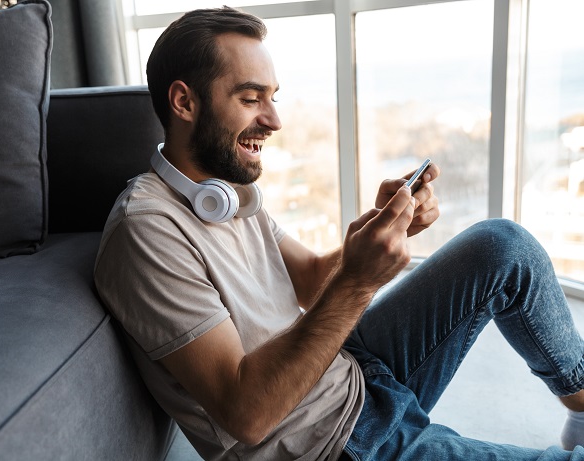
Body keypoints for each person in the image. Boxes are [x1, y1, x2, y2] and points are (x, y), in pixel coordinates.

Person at [94, 6, 584, 460]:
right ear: (184, 101)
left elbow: (309, 279)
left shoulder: (222, 194)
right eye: (250, 99)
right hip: (330, 443)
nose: (274, 120)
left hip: (346, 369)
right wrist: (359, 282)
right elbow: (248, 415)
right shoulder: (147, 232)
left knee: (502, 246)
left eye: (273, 98)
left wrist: (383, 228)